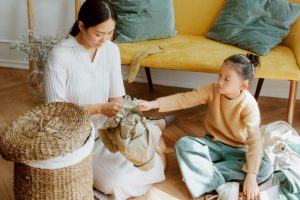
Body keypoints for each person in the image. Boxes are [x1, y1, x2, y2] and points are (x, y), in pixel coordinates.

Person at [44, 0, 171, 199]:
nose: (104, 40)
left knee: (148, 164)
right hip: (75, 139)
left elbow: (116, 98)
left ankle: (155, 133)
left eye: (110, 33)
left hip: (109, 132)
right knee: (115, 184)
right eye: (98, 34)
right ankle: (156, 132)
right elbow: (56, 114)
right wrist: (99, 108)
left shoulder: (111, 50)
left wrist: (123, 107)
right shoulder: (59, 56)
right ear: (81, 26)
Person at [138, 54, 273, 200]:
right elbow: (185, 99)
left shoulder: (249, 105)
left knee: (264, 169)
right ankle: (220, 185)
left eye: (226, 79)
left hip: (239, 151)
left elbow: (255, 142)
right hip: (212, 145)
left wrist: (251, 176)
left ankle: (203, 177)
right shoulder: (213, 89)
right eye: (219, 75)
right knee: (183, 144)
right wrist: (153, 104)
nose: (220, 82)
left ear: (243, 85)